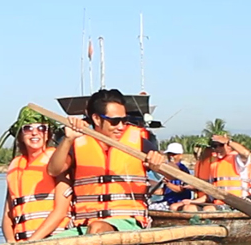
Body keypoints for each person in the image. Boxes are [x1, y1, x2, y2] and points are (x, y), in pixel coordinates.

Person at [47, 88, 166, 234]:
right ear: (97, 119)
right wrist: (68, 139)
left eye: (124, 120)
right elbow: (54, 170)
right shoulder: (78, 143)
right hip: (84, 225)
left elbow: (173, 174)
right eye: (115, 121)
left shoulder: (139, 143)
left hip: (127, 222)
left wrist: (160, 164)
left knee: (97, 228)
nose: (121, 126)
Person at [1, 108, 74, 242]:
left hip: (53, 241)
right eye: (28, 128)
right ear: (21, 135)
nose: (35, 132)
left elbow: (61, 211)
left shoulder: (57, 162)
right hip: (22, 244)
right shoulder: (16, 165)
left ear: (47, 134)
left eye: (41, 128)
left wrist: (32, 242)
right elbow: (7, 215)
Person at [189, 133, 251, 211]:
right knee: (189, 208)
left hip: (238, 203)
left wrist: (228, 141)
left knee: (208, 209)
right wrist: (192, 201)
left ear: (228, 147)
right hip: (218, 202)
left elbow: (245, 153)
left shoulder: (237, 160)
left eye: (221, 145)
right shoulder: (214, 164)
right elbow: (210, 192)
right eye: (215, 146)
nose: (218, 149)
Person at [158, 142, 197, 212]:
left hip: (178, 201)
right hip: (167, 201)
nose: (171, 156)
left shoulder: (182, 169)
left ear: (180, 156)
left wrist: (167, 184)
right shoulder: (167, 169)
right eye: (169, 154)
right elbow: (164, 191)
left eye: (173, 154)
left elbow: (180, 189)